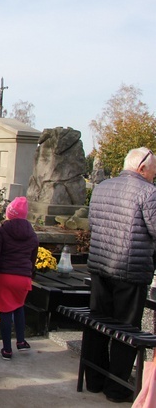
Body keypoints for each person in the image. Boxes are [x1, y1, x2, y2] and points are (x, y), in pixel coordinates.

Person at [84, 147, 156, 402]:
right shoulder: (148, 193)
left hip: (101, 265)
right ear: (142, 167)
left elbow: (92, 222)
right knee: (126, 331)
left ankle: (93, 381)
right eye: (154, 169)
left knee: (97, 325)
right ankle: (116, 388)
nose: (154, 175)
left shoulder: (102, 187)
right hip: (130, 269)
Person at [0, 196, 38, 361]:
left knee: (5, 311)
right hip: (23, 278)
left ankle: (7, 349)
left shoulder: (1, 232)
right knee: (19, 306)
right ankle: (21, 341)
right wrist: (30, 275)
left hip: (5, 277)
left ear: (9, 213)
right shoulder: (32, 235)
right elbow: (32, 259)